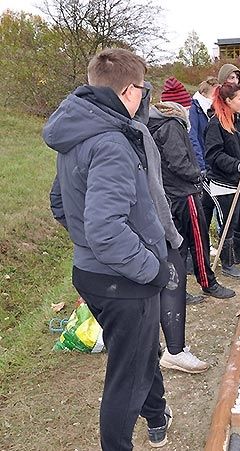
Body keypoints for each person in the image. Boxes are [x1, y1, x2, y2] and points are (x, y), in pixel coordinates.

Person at [46, 48, 173, 449]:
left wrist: (85, 241)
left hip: (94, 274)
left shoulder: (80, 130)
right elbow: (105, 230)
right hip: (124, 281)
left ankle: (156, 415)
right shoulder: (111, 142)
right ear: (130, 91)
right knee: (126, 378)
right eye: (143, 88)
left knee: (139, 351)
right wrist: (150, 268)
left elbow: (60, 203)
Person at [132, 84, 211, 374]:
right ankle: (174, 349)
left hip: (159, 207)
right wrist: (198, 176)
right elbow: (166, 173)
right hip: (172, 200)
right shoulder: (164, 127)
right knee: (177, 260)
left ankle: (164, 349)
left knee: (169, 268)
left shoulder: (146, 126)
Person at [148, 78, 236, 294]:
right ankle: (208, 283)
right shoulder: (171, 126)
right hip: (183, 192)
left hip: (169, 192)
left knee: (178, 243)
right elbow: (178, 161)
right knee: (198, 241)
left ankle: (178, 290)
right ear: (178, 106)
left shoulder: (155, 123)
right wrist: (198, 175)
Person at [205, 82, 240, 277]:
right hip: (223, 181)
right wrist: (235, 165)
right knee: (228, 222)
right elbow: (213, 155)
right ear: (228, 100)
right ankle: (227, 264)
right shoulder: (215, 123)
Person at [189, 76, 220, 173]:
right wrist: (201, 166)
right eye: (214, 95)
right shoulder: (194, 109)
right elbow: (193, 137)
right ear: (204, 94)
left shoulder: (213, 110)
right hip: (202, 162)